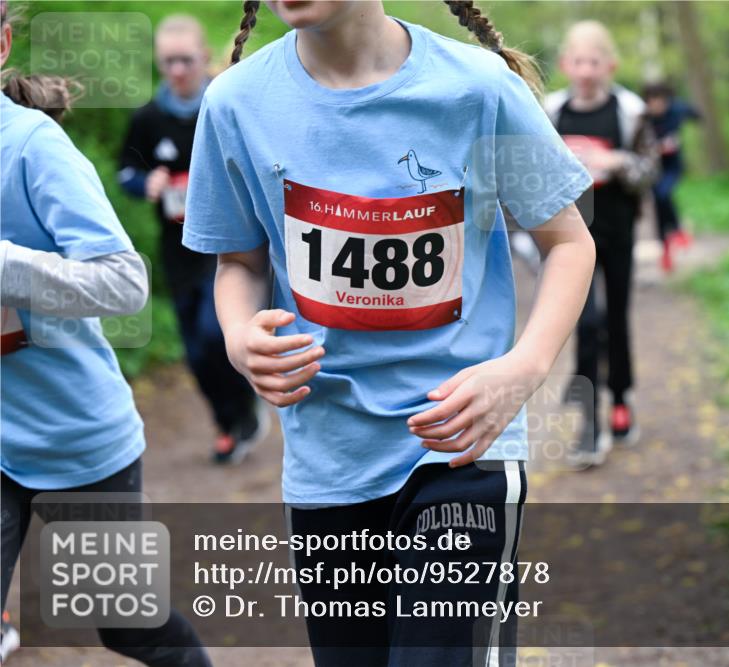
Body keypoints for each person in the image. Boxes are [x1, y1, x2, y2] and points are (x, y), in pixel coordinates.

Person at [181, 1, 595, 665]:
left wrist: (523, 368)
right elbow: (239, 261)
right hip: (330, 462)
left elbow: (568, 242)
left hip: (462, 450)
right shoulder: (235, 103)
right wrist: (238, 333)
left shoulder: (477, 88)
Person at [0, 2, 211, 664]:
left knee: (127, 624)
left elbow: (122, 282)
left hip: (73, 438)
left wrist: (6, 266)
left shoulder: (30, 146)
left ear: (2, 43)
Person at [118, 14, 266, 465]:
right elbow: (126, 171)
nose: (178, 70)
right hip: (177, 250)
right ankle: (229, 421)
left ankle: (245, 408)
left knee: (214, 330)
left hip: (228, 245)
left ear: (203, 57)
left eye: (185, 60)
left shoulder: (224, 105)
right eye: (168, 62)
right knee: (196, 352)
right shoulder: (149, 118)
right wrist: (147, 185)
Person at [544, 20, 660, 465]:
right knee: (586, 324)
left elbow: (650, 169)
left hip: (618, 231)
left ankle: (621, 398)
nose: (586, 70)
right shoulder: (552, 112)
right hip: (571, 238)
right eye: (578, 61)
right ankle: (589, 423)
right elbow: (535, 170)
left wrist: (616, 162)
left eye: (595, 61)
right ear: (565, 64)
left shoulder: (628, 111)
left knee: (616, 319)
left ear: (609, 64)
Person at [642, 81, 700, 272]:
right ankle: (665, 246)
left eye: (661, 101)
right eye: (653, 102)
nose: (657, 106)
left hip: (672, 167)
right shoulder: (643, 118)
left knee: (663, 194)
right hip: (652, 169)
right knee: (658, 205)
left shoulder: (676, 111)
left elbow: (694, 113)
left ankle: (678, 231)